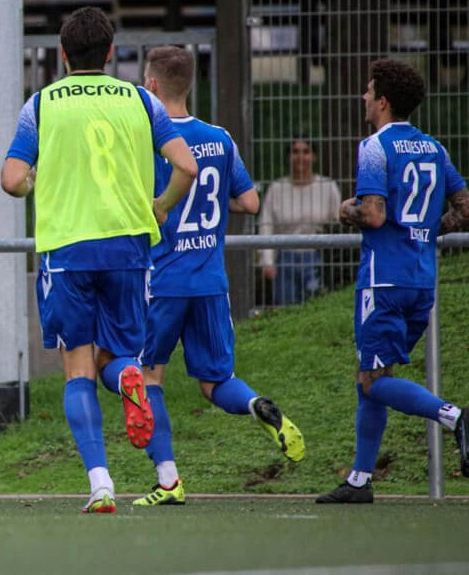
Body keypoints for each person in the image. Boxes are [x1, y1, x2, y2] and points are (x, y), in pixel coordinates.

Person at [0, 7, 198, 514]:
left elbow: (10, 179)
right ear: (110, 54)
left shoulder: (42, 104)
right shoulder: (141, 99)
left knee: (76, 369)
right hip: (129, 246)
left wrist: (35, 182)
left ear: (63, 54)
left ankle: (101, 484)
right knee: (122, 359)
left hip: (68, 248)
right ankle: (131, 387)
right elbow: (186, 166)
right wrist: (161, 206)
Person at [135, 46, 305, 506]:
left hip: (162, 281)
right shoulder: (220, 138)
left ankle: (168, 479)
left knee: (148, 377)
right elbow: (249, 203)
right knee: (216, 382)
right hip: (210, 281)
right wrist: (208, 212)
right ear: (189, 85)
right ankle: (255, 405)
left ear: (151, 86)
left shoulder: (149, 139)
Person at [317, 59, 469, 503]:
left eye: (368, 93)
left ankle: (454, 417)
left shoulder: (374, 147)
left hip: (383, 281)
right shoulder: (434, 149)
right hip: (421, 281)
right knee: (371, 373)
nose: (364, 99)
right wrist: (424, 230)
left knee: (372, 380)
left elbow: (373, 214)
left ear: (382, 101)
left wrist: (346, 209)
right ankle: (360, 481)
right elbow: (464, 207)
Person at [257, 138, 341, 305]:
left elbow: (337, 223)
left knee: (318, 306)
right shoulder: (276, 188)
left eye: (305, 152)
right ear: (289, 157)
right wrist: (267, 261)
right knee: (286, 310)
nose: (300, 157)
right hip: (285, 257)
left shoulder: (328, 186)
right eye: (295, 152)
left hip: (318, 256)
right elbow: (266, 225)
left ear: (314, 156)